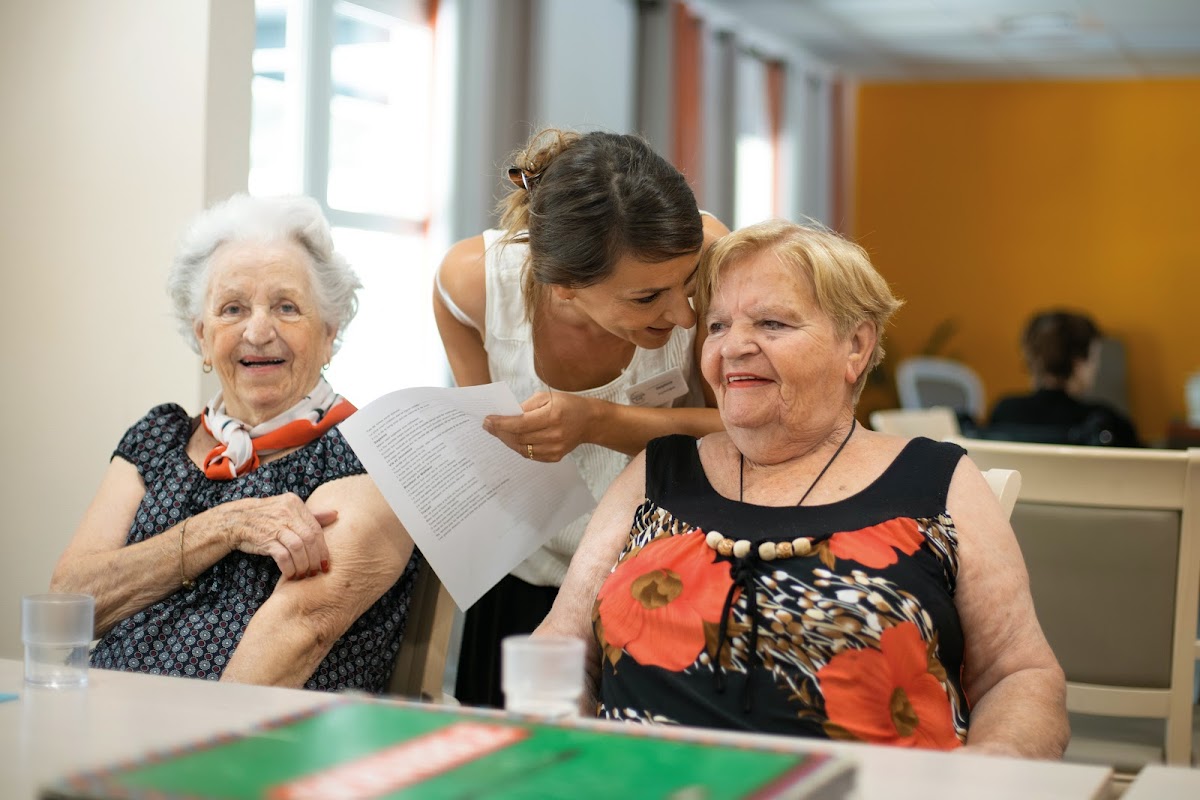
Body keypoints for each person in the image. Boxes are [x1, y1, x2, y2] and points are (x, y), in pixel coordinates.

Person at [535, 219, 1069, 757]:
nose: (734, 346)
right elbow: (563, 648)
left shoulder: (936, 481)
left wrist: (993, 774)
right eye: (717, 326)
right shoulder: (658, 473)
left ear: (856, 345)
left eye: (771, 323)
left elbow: (1018, 674)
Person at [51, 194, 419, 691]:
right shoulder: (159, 438)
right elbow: (67, 610)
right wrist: (223, 526)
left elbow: (301, 630)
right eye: (233, 309)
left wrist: (187, 755)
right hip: (99, 717)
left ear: (329, 332)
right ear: (202, 335)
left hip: (250, 746)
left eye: (287, 307)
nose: (259, 330)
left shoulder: (368, 454)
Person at [434, 129, 729, 707]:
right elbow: (493, 447)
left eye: (687, 286)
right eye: (646, 300)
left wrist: (597, 420)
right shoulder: (473, 285)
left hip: (663, 569)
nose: (684, 317)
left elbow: (743, 432)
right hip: (524, 571)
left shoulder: (714, 250)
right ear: (564, 289)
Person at [987, 310, 1140, 447]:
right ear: (1079, 363)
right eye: (1094, 358)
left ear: (1030, 357)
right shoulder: (1107, 423)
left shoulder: (1004, 412)